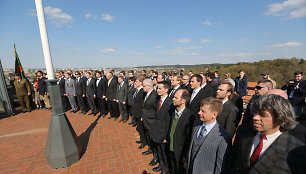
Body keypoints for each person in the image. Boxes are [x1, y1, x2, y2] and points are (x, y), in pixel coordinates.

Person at [227, 94, 306, 173]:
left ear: (282, 119)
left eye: (263, 115)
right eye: (255, 113)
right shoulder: (244, 133)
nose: (255, 117)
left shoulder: (296, 150)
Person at [186, 97, 231, 174]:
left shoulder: (223, 137)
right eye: (200, 110)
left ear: (214, 114)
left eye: (203, 111)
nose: (199, 113)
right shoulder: (196, 124)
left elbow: (220, 166)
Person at [169, 89, 194, 174]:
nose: (173, 99)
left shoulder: (190, 116)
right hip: (171, 146)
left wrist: (185, 154)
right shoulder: (174, 111)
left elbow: (189, 137)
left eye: (176, 98)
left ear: (183, 101)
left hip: (180, 151)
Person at [152, 81, 173, 173]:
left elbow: (169, 122)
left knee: (164, 153)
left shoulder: (170, 103)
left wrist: (166, 136)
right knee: (159, 150)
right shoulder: (158, 100)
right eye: (157, 88)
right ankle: (161, 165)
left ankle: (166, 168)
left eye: (160, 88)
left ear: (166, 90)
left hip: (163, 133)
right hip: (157, 130)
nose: (157, 90)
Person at [141, 79, 158, 161]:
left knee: (152, 138)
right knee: (148, 136)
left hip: (151, 122)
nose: (142, 87)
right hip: (146, 120)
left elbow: (156, 110)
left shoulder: (154, 95)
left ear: (149, 86)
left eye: (143, 86)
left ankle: (156, 155)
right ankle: (150, 149)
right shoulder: (147, 94)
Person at [132, 77, 146, 149]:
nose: (135, 82)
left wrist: (142, 115)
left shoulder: (142, 91)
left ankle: (144, 142)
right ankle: (142, 140)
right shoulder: (137, 90)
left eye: (137, 81)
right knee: (139, 129)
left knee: (141, 129)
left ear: (141, 82)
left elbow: (142, 104)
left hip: (140, 114)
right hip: (136, 113)